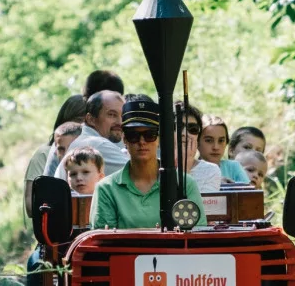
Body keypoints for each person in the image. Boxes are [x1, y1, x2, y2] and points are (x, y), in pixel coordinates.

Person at [91, 96, 207, 230]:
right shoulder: (107, 188)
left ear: (159, 139)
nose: (142, 141)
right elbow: (103, 241)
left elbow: (197, 233)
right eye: (133, 135)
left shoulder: (185, 183)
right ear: (124, 139)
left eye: (149, 134)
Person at [24, 94, 86, 218]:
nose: (83, 126)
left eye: (87, 122)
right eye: (79, 120)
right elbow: (31, 206)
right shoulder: (44, 154)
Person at [51, 90, 128, 179]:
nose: (120, 122)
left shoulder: (83, 138)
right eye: (111, 114)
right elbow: (143, 174)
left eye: (123, 116)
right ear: (91, 119)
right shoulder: (98, 144)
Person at [176, 102, 222, 191]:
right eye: (179, 127)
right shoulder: (153, 166)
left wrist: (185, 167)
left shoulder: (210, 171)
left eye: (193, 129)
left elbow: (198, 205)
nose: (185, 133)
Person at [198, 115, 250, 184]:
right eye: (209, 140)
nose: (216, 147)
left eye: (221, 141)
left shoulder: (234, 167)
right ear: (196, 142)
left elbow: (248, 192)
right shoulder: (189, 169)